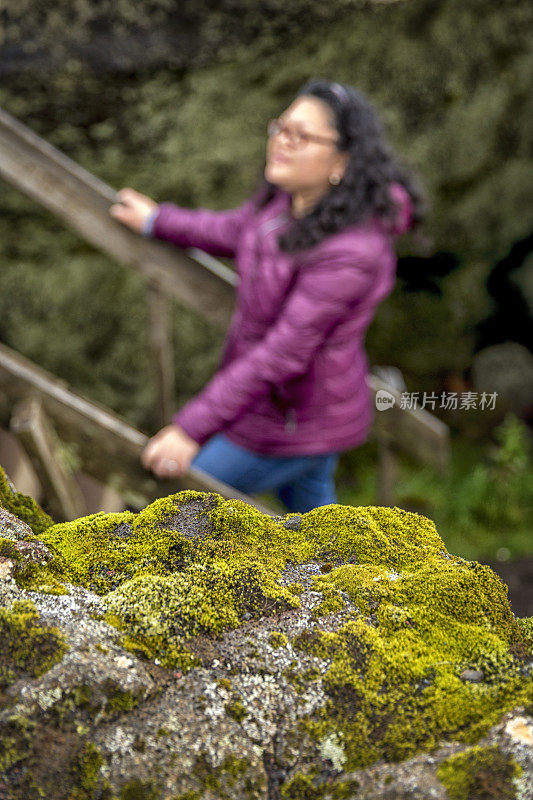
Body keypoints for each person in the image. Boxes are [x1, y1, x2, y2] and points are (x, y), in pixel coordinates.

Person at [109, 78, 424, 512]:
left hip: (291, 423)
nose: (282, 142)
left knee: (174, 510)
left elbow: (283, 352)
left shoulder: (354, 252)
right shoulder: (286, 203)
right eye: (281, 128)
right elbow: (234, 231)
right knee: (319, 536)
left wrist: (189, 430)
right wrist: (156, 220)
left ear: (343, 161)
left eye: (303, 135)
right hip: (294, 412)